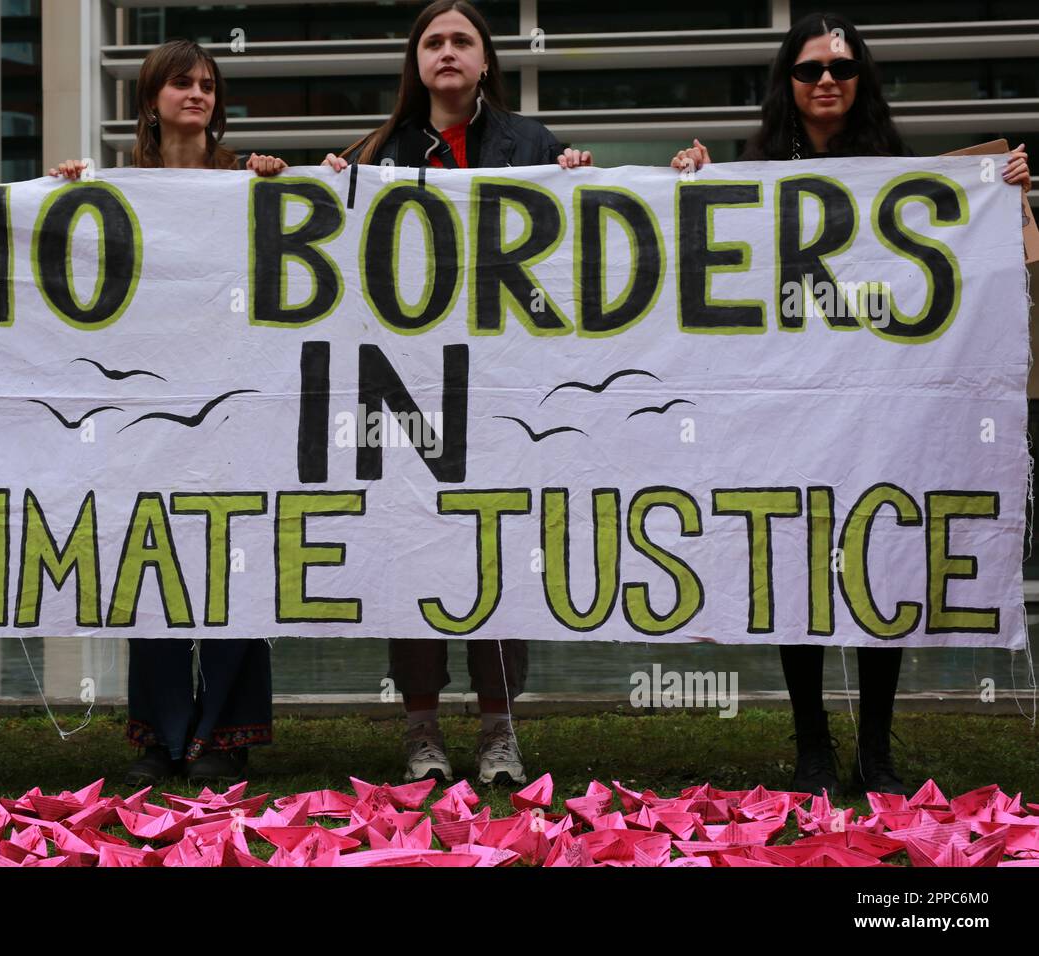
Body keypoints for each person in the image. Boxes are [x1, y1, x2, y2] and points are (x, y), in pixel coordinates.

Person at [669, 12, 1030, 799]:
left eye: (840, 66)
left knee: (883, 564)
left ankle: (875, 752)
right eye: (808, 69)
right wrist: (691, 183)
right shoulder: (749, 171)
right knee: (796, 567)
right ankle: (811, 750)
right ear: (787, 83)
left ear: (861, 77)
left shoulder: (903, 173)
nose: (825, 80)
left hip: (879, 408)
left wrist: (996, 197)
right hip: (787, 408)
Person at [322, 0, 591, 787]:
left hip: (505, 389)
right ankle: (421, 730)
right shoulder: (377, 149)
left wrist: (577, 179)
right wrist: (327, 184)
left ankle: (499, 730)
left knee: (497, 551)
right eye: (432, 41)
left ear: (484, 60)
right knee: (416, 558)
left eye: (461, 40)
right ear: (416, 61)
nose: (446, 51)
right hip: (409, 393)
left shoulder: (532, 145)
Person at [51, 39, 286, 785]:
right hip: (145, 398)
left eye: (208, 84)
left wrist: (278, 185)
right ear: (150, 97)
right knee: (147, 561)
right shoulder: (115, 188)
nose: (197, 94)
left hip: (236, 393)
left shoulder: (245, 178)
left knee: (233, 558)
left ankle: (225, 734)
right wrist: (59, 196)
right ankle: (159, 734)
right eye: (182, 82)